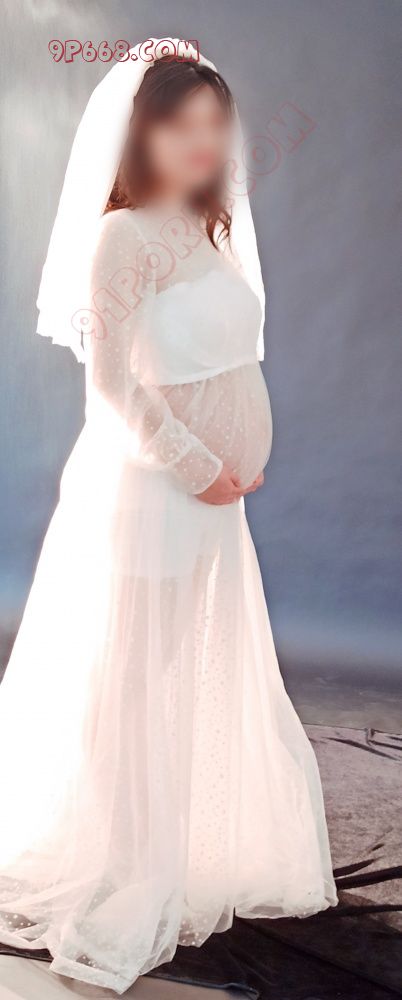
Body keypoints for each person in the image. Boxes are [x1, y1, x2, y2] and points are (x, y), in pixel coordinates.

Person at [0, 40, 337, 994]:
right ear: (140, 132)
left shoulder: (207, 225)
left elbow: (225, 360)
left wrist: (235, 464)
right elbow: (111, 384)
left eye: (214, 124)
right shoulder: (124, 236)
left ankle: (169, 850)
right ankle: (123, 870)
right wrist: (197, 465)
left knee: (178, 673)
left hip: (212, 503)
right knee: (132, 686)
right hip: (152, 493)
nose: (201, 142)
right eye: (179, 123)